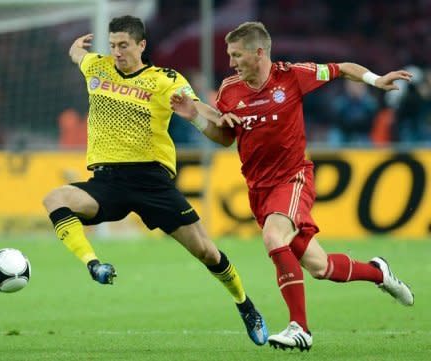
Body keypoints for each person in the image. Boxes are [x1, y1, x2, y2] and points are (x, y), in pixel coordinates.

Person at [170, 21, 415, 352]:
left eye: (236, 54)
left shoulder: (292, 75)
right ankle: (378, 273)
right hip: (259, 189)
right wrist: (196, 118)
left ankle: (300, 328)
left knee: (274, 237)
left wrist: (375, 80)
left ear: (258, 53)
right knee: (319, 266)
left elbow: (342, 69)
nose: (230, 62)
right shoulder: (229, 90)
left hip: (293, 177)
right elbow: (226, 138)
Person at [42, 16, 268, 346]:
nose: (117, 52)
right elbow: (80, 56)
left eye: (124, 45)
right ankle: (94, 266)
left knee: (206, 252)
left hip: (152, 181)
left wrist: (221, 117)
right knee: (54, 199)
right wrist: (74, 49)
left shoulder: (164, 79)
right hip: (108, 182)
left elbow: (196, 105)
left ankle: (246, 306)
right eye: (113, 45)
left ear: (141, 45)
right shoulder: (97, 67)